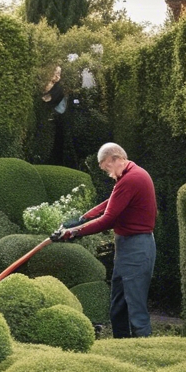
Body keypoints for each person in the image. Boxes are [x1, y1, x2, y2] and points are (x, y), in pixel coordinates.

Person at [58, 142, 156, 337]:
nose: (108, 173)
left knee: (136, 309)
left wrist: (74, 232)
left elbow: (108, 219)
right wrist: (82, 219)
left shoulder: (133, 178)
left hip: (137, 247)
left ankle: (144, 355)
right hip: (127, 246)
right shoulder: (128, 176)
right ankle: (121, 348)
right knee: (118, 305)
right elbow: (109, 202)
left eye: (107, 168)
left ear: (115, 159)